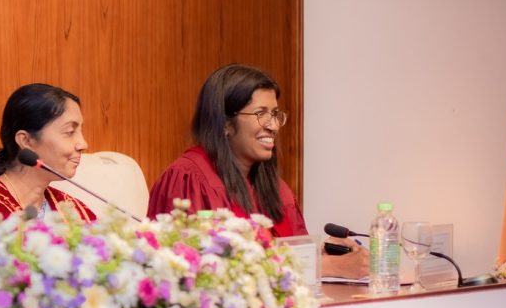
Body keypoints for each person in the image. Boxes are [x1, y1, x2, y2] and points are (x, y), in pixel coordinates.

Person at [146, 64, 368, 278]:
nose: (273, 126)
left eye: (275, 114)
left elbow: (287, 252)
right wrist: (326, 267)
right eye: (261, 113)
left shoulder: (276, 188)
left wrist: (320, 253)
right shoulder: (189, 179)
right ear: (224, 123)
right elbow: (199, 271)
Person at [0, 83, 97, 232]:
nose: (83, 144)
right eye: (70, 132)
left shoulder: (74, 212)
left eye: (80, 131)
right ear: (26, 141)